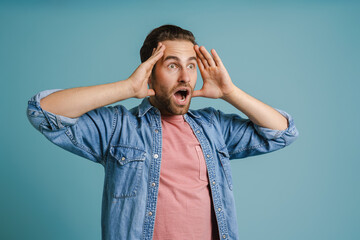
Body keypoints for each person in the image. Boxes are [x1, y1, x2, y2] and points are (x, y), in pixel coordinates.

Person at [27, 24, 299, 240]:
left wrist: (230, 93)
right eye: (172, 65)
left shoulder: (213, 126)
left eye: (191, 65)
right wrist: (127, 88)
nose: (185, 76)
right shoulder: (119, 128)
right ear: (150, 73)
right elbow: (43, 111)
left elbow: (283, 132)